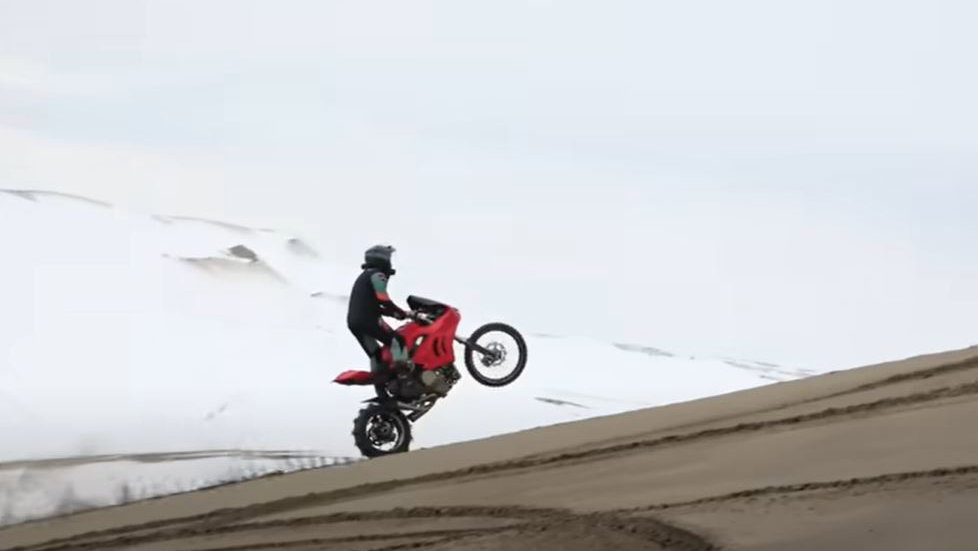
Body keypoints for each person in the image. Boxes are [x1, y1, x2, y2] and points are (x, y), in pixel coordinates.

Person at [347, 245, 412, 382]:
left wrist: (393, 313)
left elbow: (371, 304)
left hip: (354, 321)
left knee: (376, 355)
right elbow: (383, 298)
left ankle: (382, 388)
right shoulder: (378, 275)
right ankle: (404, 374)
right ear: (383, 260)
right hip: (369, 319)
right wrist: (398, 311)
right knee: (398, 341)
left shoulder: (364, 276)